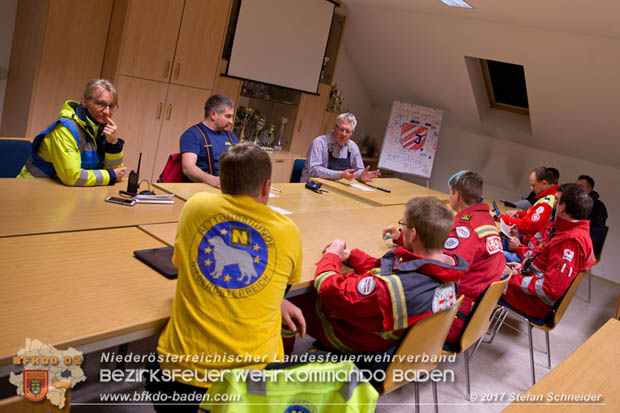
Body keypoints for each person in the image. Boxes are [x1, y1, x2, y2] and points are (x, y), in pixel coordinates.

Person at [149, 143, 305, 412]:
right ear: (267, 187)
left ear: (221, 182)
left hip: (179, 378)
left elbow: (180, 264)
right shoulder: (288, 231)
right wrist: (275, 298)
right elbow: (283, 285)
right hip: (249, 385)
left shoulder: (195, 207)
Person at [283, 197, 468, 355]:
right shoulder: (448, 269)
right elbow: (387, 271)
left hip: (361, 341)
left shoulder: (393, 287)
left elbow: (331, 290)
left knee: (287, 302)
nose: (400, 229)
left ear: (413, 235)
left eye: (402, 224)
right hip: (393, 334)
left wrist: (331, 256)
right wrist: (350, 256)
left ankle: (275, 368)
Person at [501, 184, 594, 319]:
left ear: (563, 207)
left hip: (532, 302)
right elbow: (542, 262)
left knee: (481, 275)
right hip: (529, 291)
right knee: (490, 266)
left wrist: (513, 278)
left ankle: (465, 328)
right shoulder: (566, 231)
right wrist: (521, 268)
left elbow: (551, 289)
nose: (553, 203)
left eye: (556, 200)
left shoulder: (569, 242)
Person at [18, 79, 126, 186]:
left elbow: (117, 173)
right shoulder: (66, 129)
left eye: (111, 106)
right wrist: (111, 175)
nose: (107, 112)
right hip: (32, 188)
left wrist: (113, 144)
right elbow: (72, 177)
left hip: (68, 192)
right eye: (100, 104)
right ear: (84, 102)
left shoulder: (102, 130)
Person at [441, 171, 506, 345]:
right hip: (474, 316)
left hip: (452, 320)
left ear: (457, 195)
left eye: (449, 192)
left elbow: (444, 271)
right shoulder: (484, 219)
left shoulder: (467, 227)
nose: (449, 196)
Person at [300, 112, 380, 183]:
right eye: (342, 129)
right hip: (312, 186)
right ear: (335, 127)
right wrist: (341, 174)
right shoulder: (319, 142)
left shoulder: (352, 146)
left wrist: (361, 175)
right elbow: (314, 170)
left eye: (348, 131)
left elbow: (358, 170)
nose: (344, 134)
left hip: (336, 188)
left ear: (352, 132)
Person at [180, 94, 239, 188]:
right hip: (201, 190)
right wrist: (213, 181)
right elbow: (188, 168)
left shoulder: (231, 137)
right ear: (213, 114)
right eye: (228, 116)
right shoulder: (193, 134)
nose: (231, 122)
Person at [499, 167, 558, 260]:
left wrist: (500, 218)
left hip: (530, 252)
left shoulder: (548, 202)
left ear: (544, 183)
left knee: (496, 252)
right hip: (528, 244)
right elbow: (530, 213)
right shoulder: (547, 196)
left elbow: (528, 225)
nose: (531, 188)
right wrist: (518, 214)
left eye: (533, 185)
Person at [576, 175, 608, 257]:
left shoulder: (598, 207)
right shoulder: (571, 202)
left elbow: (598, 233)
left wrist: (579, 226)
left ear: (589, 190)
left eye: (580, 187)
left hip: (585, 247)